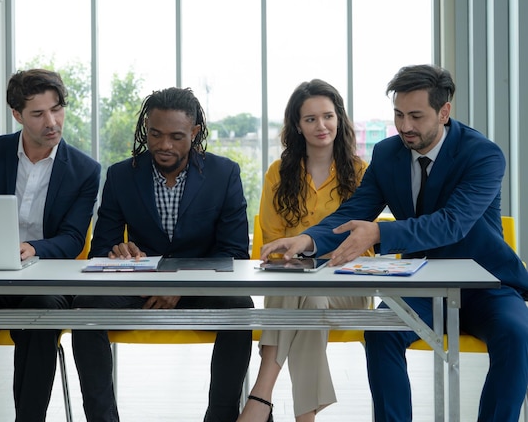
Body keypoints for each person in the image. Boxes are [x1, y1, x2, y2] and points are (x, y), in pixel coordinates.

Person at [259, 64, 528, 421]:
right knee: (380, 330)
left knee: (518, 334)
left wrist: (380, 233)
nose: (405, 126)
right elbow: (353, 211)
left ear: (444, 112)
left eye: (416, 116)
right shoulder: (388, 154)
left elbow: (453, 224)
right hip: (421, 285)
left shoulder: (483, 155)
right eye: (399, 115)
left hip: (487, 283)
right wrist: (307, 239)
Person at [71, 86, 254, 422]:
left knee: (240, 308)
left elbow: (234, 252)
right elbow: (100, 250)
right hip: (140, 287)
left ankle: (221, 415)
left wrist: (182, 285)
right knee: (83, 308)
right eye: (155, 134)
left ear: (195, 133)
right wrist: (118, 252)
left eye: (175, 136)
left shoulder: (224, 174)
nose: (164, 145)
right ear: (146, 129)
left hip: (201, 289)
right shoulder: (121, 175)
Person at [0, 68, 101, 422]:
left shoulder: (85, 170)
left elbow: (73, 237)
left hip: (46, 279)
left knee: (41, 312)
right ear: (17, 115)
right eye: (38, 113)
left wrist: (34, 248)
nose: (52, 121)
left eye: (57, 108)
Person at [237, 79, 372, 422]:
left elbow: (363, 246)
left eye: (327, 116)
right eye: (310, 119)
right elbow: (272, 243)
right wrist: (303, 262)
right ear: (297, 125)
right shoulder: (278, 174)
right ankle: (304, 418)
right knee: (308, 297)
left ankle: (260, 396)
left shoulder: (361, 174)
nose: (321, 125)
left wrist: (314, 256)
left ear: (339, 119)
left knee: (304, 295)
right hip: (291, 284)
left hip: (347, 285)